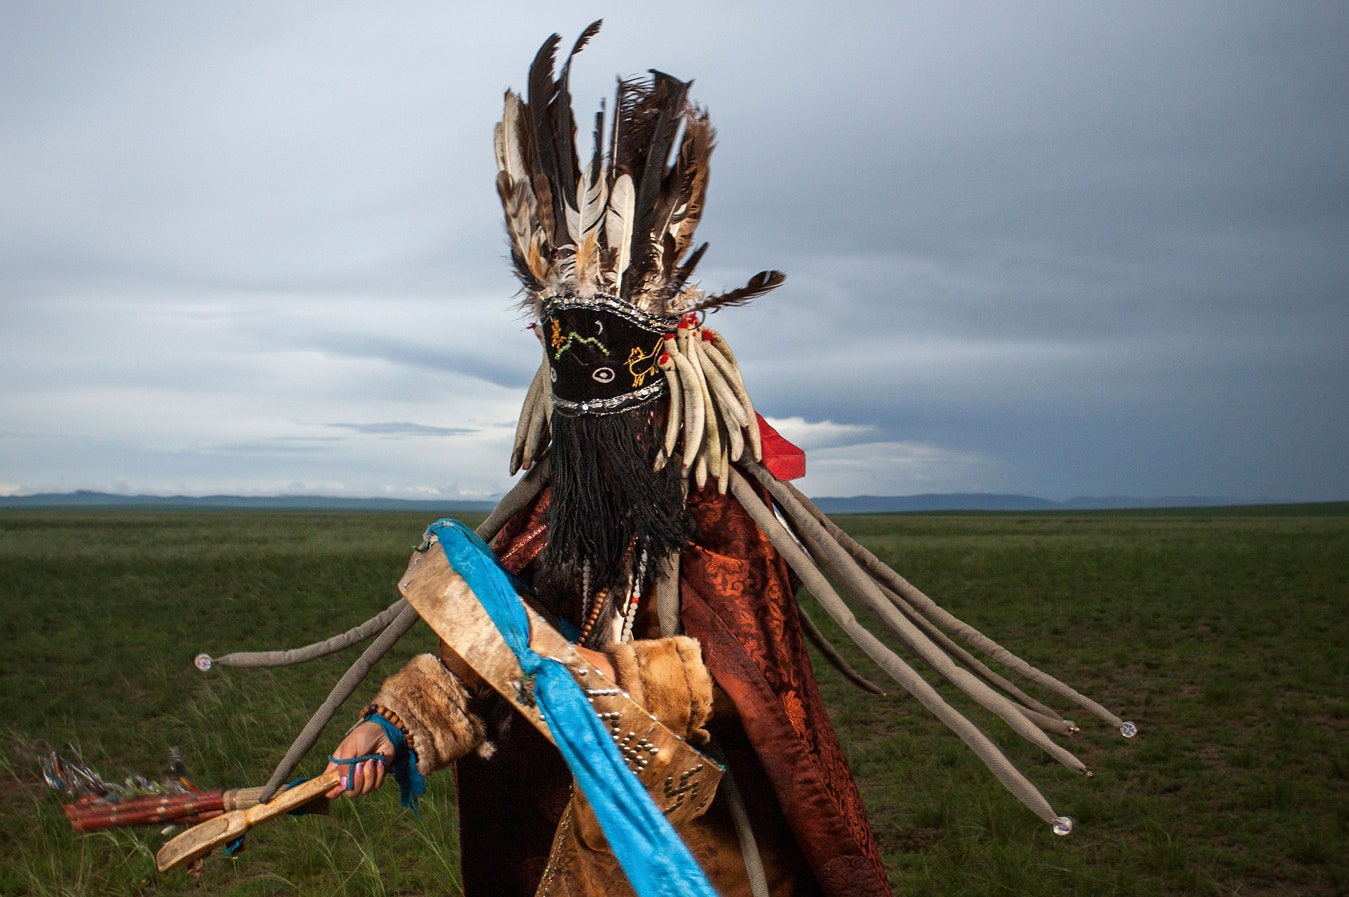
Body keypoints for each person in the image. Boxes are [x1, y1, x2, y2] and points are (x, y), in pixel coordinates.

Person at [324, 22, 893, 897]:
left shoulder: (718, 513)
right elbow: (496, 639)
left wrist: (589, 676)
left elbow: (745, 680)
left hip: (707, 854)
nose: (593, 434)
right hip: (573, 851)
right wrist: (399, 722)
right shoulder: (556, 513)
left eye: (608, 406)